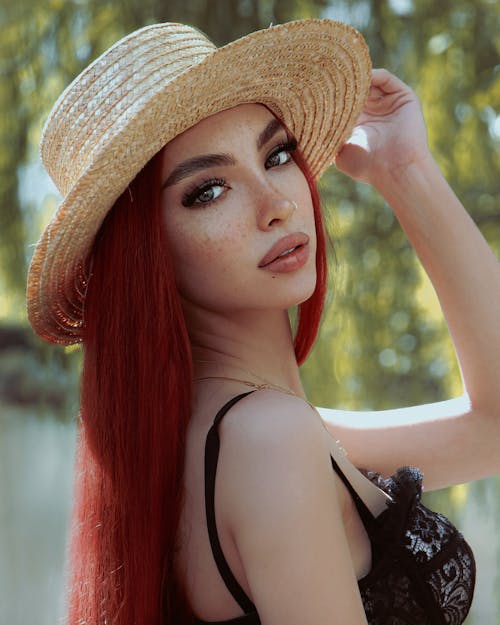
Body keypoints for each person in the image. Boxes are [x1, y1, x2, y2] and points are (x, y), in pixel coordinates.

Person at [26, 18, 499, 625]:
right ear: (147, 255)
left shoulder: (237, 437)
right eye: (208, 191)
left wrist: (403, 168)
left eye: (277, 155)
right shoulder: (269, 441)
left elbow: (491, 429)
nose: (277, 205)